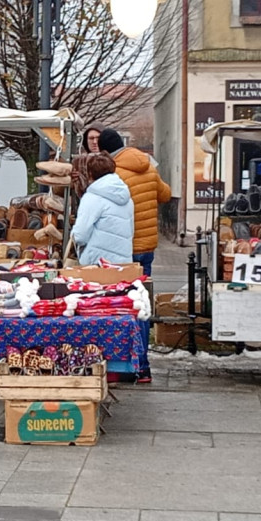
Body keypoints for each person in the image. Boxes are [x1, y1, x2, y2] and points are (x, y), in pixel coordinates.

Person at [97, 128, 171, 383]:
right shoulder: (147, 165)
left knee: (118, 307)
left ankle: (122, 365)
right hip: (147, 247)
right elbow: (165, 194)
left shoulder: (113, 174)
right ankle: (143, 368)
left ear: (106, 151)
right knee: (141, 306)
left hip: (122, 248)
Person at [71, 152, 134, 266]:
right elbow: (131, 231)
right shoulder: (127, 198)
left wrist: (73, 236)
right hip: (124, 262)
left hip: (97, 263)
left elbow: (80, 236)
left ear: (90, 174)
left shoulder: (91, 198)